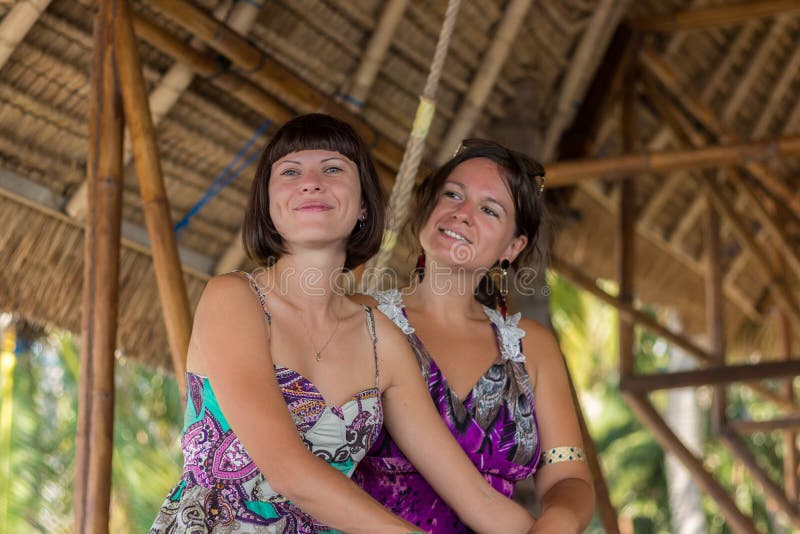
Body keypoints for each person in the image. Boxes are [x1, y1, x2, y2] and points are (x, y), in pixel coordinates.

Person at [151, 115, 538, 533]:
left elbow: (477, 499)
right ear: (267, 203)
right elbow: (288, 471)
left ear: (363, 207)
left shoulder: (382, 342)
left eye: (333, 169)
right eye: (290, 171)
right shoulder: (234, 299)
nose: (311, 182)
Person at [352, 139, 594, 533]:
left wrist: (559, 521)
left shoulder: (530, 348)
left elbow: (569, 475)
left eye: (489, 210)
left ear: (513, 247)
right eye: (452, 194)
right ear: (427, 207)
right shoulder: (361, 318)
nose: (463, 214)